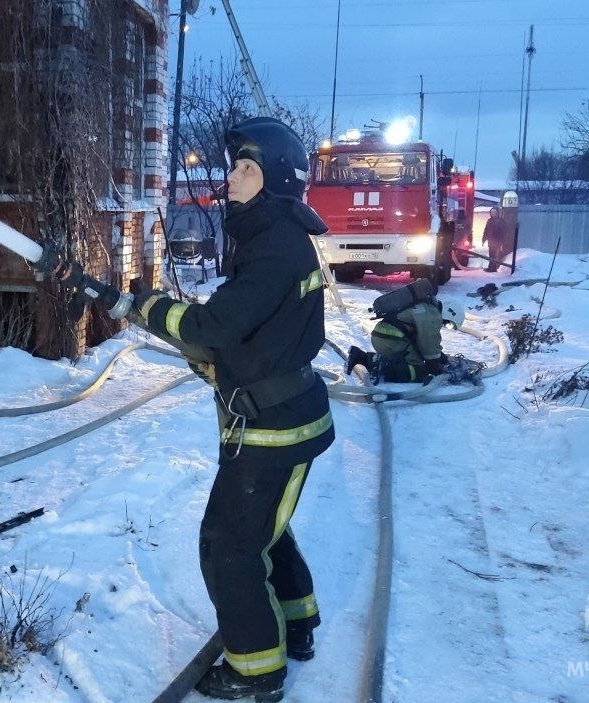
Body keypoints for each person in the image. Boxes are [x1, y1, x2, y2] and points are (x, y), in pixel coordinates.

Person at [60, 117, 332, 701]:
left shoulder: (275, 249)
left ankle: (256, 672)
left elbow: (214, 325)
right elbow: (251, 337)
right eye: (235, 167)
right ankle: (297, 625)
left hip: (273, 428)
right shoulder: (272, 236)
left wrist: (150, 307)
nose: (231, 178)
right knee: (263, 531)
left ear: (275, 179)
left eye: (246, 169)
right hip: (279, 417)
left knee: (229, 546)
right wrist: (132, 305)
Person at [346, 297, 465, 382]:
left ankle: (360, 356)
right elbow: (428, 344)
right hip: (393, 340)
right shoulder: (433, 316)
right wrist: (436, 365)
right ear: (450, 312)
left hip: (380, 336)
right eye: (449, 323)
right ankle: (383, 368)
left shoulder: (426, 307)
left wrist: (440, 356)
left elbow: (421, 339)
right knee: (420, 371)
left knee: (405, 361)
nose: (445, 325)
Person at [483, 206, 510, 272]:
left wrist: (502, 241)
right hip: (490, 241)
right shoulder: (489, 220)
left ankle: (494, 268)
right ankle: (490, 267)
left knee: (495, 255)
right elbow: (486, 230)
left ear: (497, 213)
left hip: (497, 241)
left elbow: (504, 232)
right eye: (492, 212)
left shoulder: (501, 221)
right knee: (491, 255)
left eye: (494, 212)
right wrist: (484, 239)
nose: (493, 214)